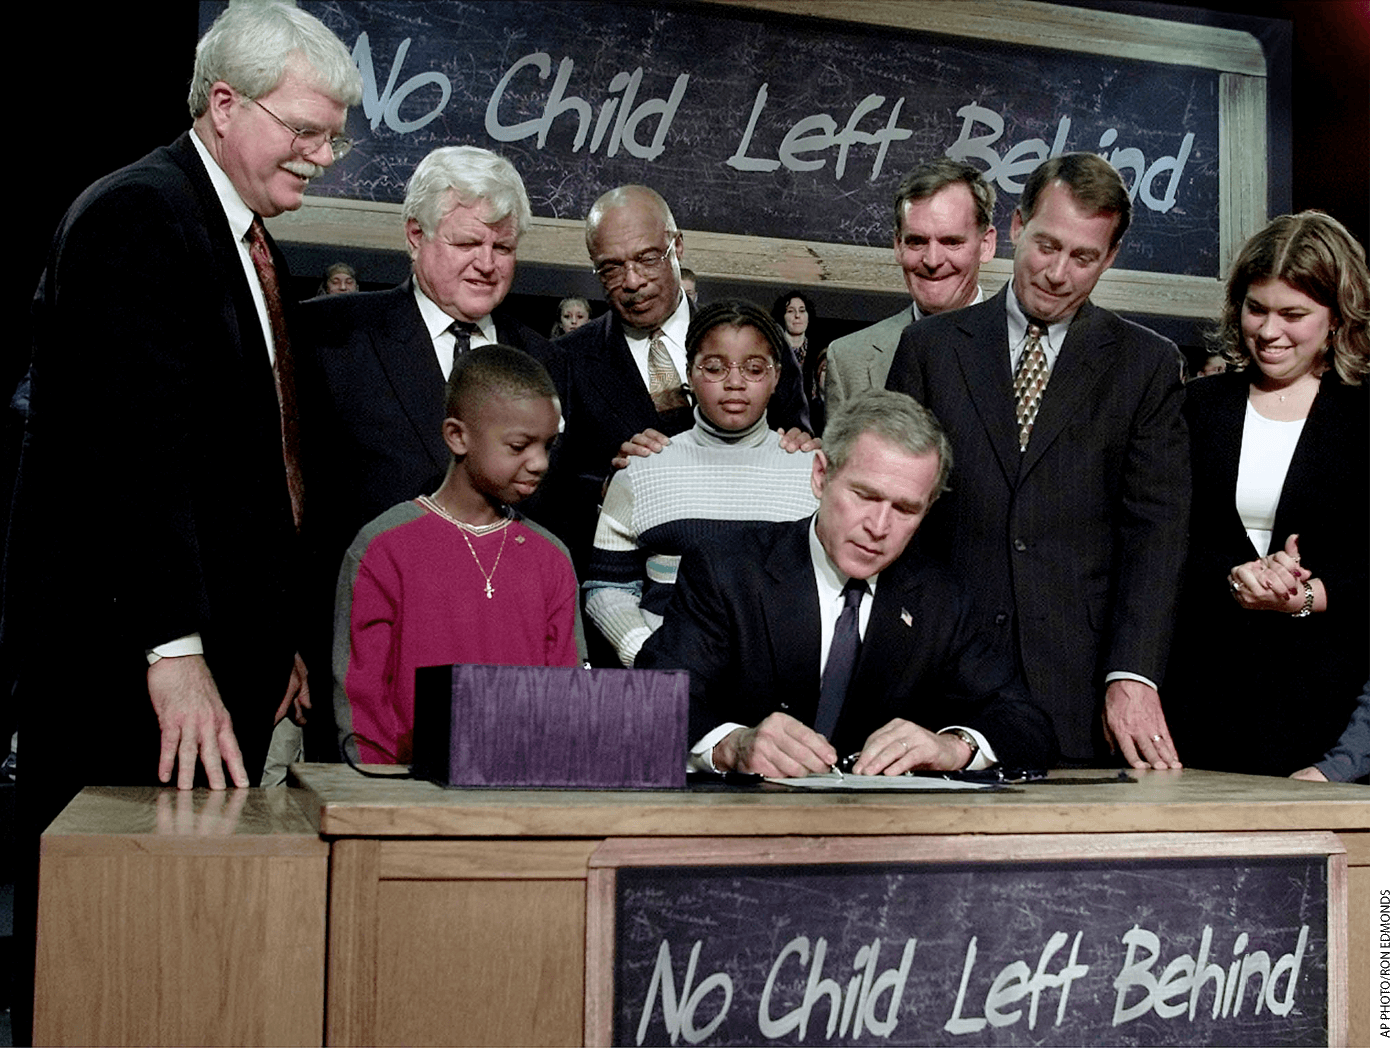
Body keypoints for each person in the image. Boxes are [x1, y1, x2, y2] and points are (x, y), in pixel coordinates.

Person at [4, 3, 360, 1040]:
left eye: (332, 134)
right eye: (304, 130)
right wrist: (174, 645)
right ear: (221, 104)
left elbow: (251, 468)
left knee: (183, 951)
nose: (325, 155)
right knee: (101, 956)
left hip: (218, 657)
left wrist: (276, 633)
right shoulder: (140, 215)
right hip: (129, 668)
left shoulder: (249, 240)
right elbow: (131, 455)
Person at [886, 153, 1190, 769]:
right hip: (942, 675)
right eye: (1046, 244)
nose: (1055, 273)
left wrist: (1133, 674)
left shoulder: (1146, 366)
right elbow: (895, 511)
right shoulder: (930, 349)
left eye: (1082, 257)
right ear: (1018, 225)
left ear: (1110, 257)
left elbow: (1156, 536)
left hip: (1079, 688)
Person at [296, 146, 568, 752]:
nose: (487, 264)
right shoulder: (329, 338)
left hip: (509, 691)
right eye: (468, 243)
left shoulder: (548, 361)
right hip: (362, 678)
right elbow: (286, 505)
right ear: (415, 235)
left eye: (503, 248)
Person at [636, 390, 1056, 777]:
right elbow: (657, 702)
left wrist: (953, 746)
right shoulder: (727, 570)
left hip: (882, 839)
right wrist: (733, 745)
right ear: (820, 476)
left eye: (905, 509)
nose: (879, 526)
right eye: (865, 496)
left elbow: (1027, 723)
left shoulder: (940, 598)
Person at [1165, 211, 1369, 778]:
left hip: (1325, 719)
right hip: (1199, 705)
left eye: (1294, 314)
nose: (1270, 331)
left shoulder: (1362, 416)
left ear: (1336, 316)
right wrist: (1235, 577)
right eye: (1257, 309)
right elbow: (1164, 544)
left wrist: (1306, 597)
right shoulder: (1197, 407)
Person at [334, 345, 584, 764]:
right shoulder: (383, 546)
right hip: (408, 796)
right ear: (458, 435)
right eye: (519, 445)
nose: (539, 462)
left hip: (525, 794)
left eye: (548, 445)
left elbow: (567, 692)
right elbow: (362, 697)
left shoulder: (551, 557)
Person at [552, 185, 811, 565]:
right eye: (611, 268)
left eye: (648, 258)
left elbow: (794, 442)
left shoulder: (760, 344)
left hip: (752, 573)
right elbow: (552, 487)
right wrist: (608, 488)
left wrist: (798, 448)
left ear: (678, 247)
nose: (633, 281)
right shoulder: (566, 361)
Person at [585, 301, 819, 666]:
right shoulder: (643, 468)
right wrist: (647, 654)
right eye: (714, 368)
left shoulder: (811, 473)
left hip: (782, 685)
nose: (735, 382)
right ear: (690, 372)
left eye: (754, 369)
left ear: (776, 377)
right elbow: (608, 586)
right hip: (670, 675)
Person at [826, 158, 997, 414]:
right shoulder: (849, 360)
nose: (932, 261)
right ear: (898, 245)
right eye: (917, 241)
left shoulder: (1025, 351)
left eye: (951, 242)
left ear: (986, 245)